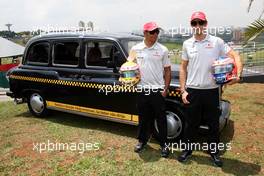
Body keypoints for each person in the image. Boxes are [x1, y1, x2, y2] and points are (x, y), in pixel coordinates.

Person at [178, 11, 243, 167]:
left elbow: (235, 55)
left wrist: (237, 74)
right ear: (191, 25)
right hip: (193, 90)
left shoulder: (217, 42)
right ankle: (187, 150)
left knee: (213, 124)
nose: (198, 26)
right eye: (194, 23)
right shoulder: (187, 44)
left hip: (212, 90)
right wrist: (183, 90)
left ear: (206, 24)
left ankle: (214, 152)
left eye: (201, 22)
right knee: (191, 124)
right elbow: (182, 68)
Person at [129, 22, 171, 158]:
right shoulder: (136, 49)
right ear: (145, 33)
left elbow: (167, 70)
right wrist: (129, 79)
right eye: (152, 32)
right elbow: (129, 66)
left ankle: (164, 144)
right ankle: (142, 141)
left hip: (157, 90)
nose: (155, 34)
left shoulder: (163, 49)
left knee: (161, 118)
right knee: (143, 118)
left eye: (157, 32)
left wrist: (165, 89)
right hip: (142, 89)